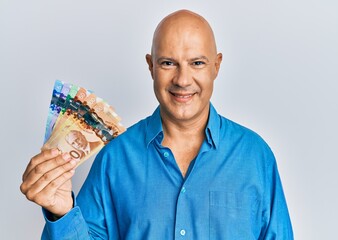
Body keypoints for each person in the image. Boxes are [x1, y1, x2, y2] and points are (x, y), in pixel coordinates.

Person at [20, 9, 294, 239]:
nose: (183, 80)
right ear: (151, 66)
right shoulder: (115, 159)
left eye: (197, 63)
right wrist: (63, 212)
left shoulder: (256, 156)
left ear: (216, 66)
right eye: (168, 63)